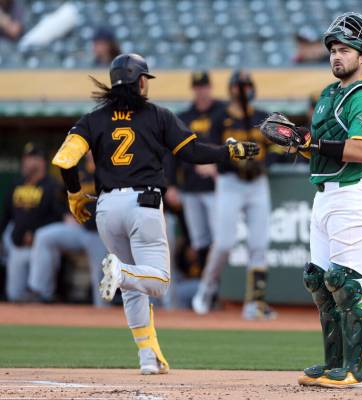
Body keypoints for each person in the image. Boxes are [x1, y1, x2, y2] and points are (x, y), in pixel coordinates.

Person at [50, 53, 259, 375]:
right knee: (157, 282)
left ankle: (148, 357)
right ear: (141, 81)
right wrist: (228, 151)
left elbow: (65, 160)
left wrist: (75, 192)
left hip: (106, 208)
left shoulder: (94, 118)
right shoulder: (157, 115)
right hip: (142, 205)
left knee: (134, 289)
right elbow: (191, 152)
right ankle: (121, 275)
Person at [292, 12, 362, 388]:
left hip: (355, 193)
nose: (336, 55)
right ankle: (335, 362)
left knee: (346, 282)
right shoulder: (329, 94)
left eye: (345, 49)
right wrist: (299, 144)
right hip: (327, 194)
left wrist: (313, 143)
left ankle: (358, 368)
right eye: (333, 49)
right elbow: (321, 151)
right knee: (319, 281)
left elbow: (360, 151)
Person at [191, 70, 276, 320]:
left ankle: (255, 303)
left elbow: (277, 148)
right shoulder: (220, 117)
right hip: (230, 182)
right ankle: (205, 290)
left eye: (247, 85)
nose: (243, 90)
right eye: (240, 85)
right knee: (225, 243)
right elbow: (210, 151)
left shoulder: (262, 117)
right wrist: (231, 162)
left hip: (257, 183)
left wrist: (263, 162)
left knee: (259, 244)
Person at [28, 152, 108, 307]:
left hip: (101, 234)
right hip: (79, 229)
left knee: (101, 280)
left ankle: (103, 316)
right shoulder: (80, 170)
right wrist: (65, 214)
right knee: (44, 237)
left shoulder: (110, 168)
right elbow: (59, 196)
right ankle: (41, 291)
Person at [176, 71, 226, 286]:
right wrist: (169, 184)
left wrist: (221, 167)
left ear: (210, 87)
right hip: (191, 187)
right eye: (198, 87)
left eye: (204, 86)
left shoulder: (222, 112)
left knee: (221, 240)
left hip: (217, 187)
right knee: (200, 241)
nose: (201, 90)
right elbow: (172, 153)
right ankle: (209, 288)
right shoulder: (184, 117)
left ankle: (221, 286)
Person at [0, 142, 64, 302]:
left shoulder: (52, 186)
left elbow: (59, 217)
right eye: (25, 158)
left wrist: (36, 232)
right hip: (18, 247)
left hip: (42, 248)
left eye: (31, 158)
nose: (26, 162)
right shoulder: (16, 184)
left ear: (41, 161)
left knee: (41, 294)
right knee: (14, 295)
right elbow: (7, 215)